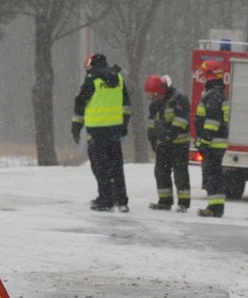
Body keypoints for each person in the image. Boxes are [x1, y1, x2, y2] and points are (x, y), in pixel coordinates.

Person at [71, 53, 131, 212]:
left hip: (97, 130)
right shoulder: (118, 78)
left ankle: (105, 199)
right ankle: (121, 199)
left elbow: (80, 102)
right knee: (116, 166)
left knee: (100, 166)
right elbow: (126, 104)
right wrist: (124, 124)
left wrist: (76, 126)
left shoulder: (92, 79)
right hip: (115, 129)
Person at [145, 74, 192, 212]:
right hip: (163, 144)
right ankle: (164, 201)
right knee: (161, 172)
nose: (153, 97)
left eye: (154, 94)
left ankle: (183, 203)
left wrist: (169, 135)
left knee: (180, 173)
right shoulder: (155, 104)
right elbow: (152, 122)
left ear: (162, 89)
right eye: (150, 95)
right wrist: (152, 138)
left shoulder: (178, 99)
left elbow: (182, 120)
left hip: (179, 144)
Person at [194, 59, 229, 218]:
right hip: (216, 143)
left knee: (212, 175)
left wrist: (204, 140)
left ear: (210, 75)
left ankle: (214, 208)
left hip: (212, 144)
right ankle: (215, 206)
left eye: (204, 73)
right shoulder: (217, 93)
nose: (202, 77)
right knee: (215, 175)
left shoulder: (213, 95)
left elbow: (212, 121)